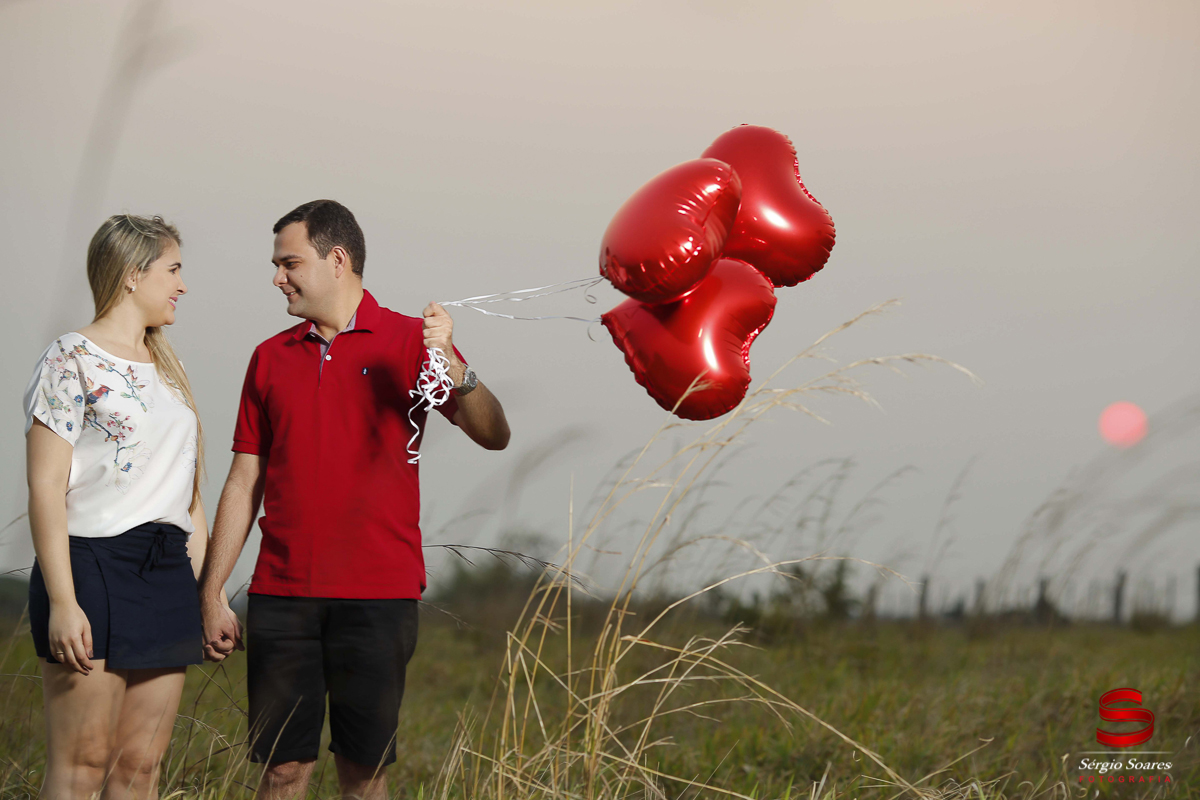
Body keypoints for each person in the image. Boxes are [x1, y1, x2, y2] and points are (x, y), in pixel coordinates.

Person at [199, 199, 510, 800]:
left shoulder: (412, 341)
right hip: (281, 595)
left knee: (363, 775)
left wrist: (453, 364)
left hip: (378, 596)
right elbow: (243, 480)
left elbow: (494, 433)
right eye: (276, 265)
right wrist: (212, 592)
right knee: (282, 771)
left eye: (290, 263)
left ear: (336, 259)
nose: (277, 277)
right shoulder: (269, 358)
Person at [24, 214, 219, 800]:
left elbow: (187, 495)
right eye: (173, 270)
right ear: (133, 273)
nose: (183, 285)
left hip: (167, 574)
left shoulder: (170, 370)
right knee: (83, 763)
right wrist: (64, 601)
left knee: (140, 766)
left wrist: (204, 593)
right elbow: (45, 487)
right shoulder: (70, 357)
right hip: (91, 566)